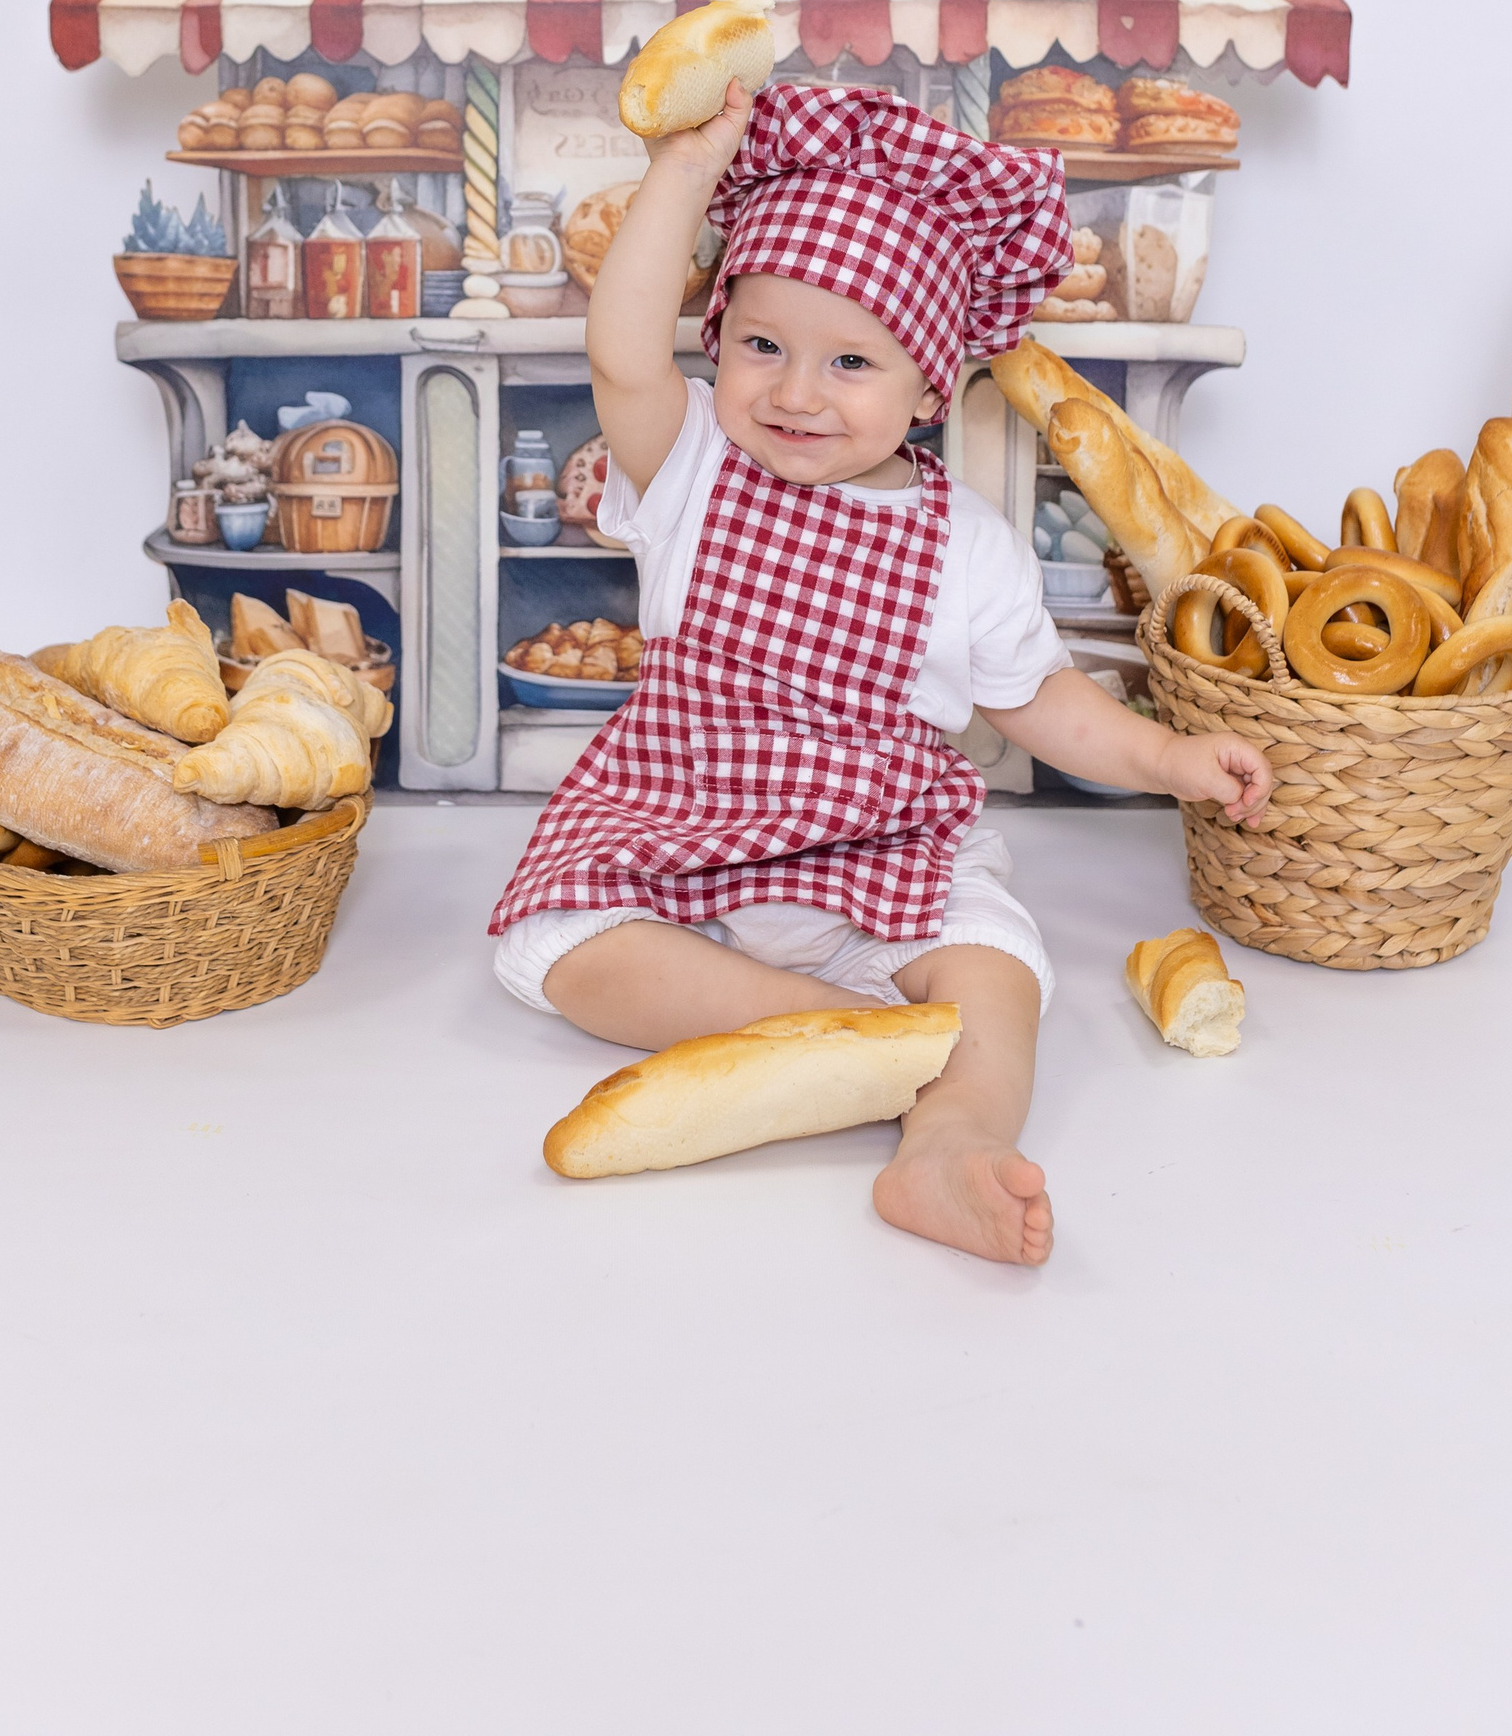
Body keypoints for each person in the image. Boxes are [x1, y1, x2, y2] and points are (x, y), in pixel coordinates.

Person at [490, 78, 1272, 1267]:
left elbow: (1039, 700)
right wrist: (687, 169)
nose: (796, 392)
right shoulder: (690, 466)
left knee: (996, 969)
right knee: (565, 950)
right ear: (718, 340)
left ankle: (946, 1144)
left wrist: (1167, 755)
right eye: (762, 345)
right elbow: (621, 348)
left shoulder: (967, 546)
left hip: (880, 853)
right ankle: (840, 1029)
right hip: (681, 828)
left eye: (852, 361)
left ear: (931, 386)